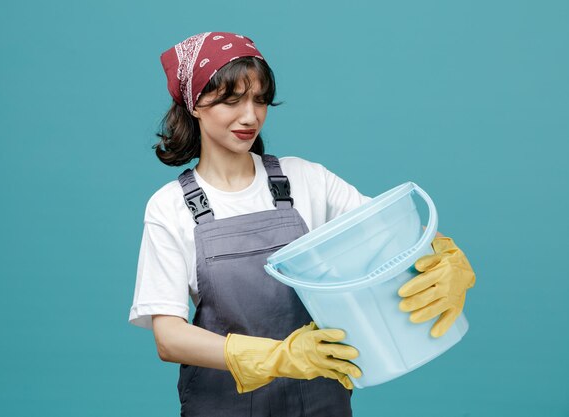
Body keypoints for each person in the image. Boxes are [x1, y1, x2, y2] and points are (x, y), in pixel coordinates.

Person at [128, 31, 476, 417]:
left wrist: (446, 258)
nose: (250, 116)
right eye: (232, 100)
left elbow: (393, 235)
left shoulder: (305, 179)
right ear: (195, 104)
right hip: (223, 406)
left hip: (320, 402)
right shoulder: (170, 206)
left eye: (259, 99)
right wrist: (280, 357)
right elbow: (169, 338)